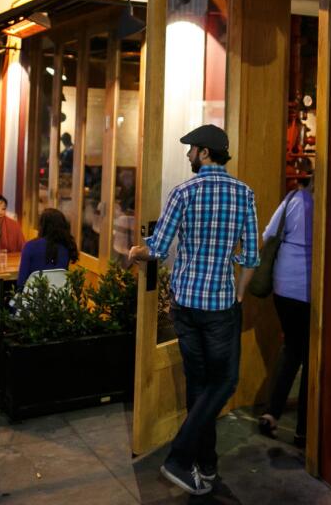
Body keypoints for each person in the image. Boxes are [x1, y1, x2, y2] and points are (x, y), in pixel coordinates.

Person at [128, 124, 259, 497]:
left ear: (204, 153)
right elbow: (250, 256)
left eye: (190, 150)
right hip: (221, 306)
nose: (187, 156)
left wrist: (138, 251)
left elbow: (158, 247)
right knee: (222, 383)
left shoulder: (183, 192)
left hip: (186, 304)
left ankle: (194, 462)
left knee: (201, 386)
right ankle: (198, 464)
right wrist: (238, 295)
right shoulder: (244, 193)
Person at [257, 174, 314, 448]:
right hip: (311, 290)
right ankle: (305, 428)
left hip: (283, 287)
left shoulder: (294, 199)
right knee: (312, 356)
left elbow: (269, 234)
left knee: (292, 348)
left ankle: (271, 412)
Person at [16, 208, 78, 288]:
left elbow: (21, 282)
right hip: (58, 297)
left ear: (42, 225)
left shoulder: (30, 246)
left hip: (32, 298)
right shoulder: (67, 246)